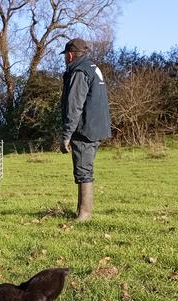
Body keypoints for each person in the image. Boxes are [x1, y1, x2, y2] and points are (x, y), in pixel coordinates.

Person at [60, 38, 111, 221]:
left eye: (66, 55)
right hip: (97, 126)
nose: (65, 59)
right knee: (85, 168)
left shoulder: (79, 71)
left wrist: (66, 135)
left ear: (71, 55)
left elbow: (74, 106)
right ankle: (82, 210)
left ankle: (84, 214)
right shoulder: (92, 67)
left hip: (85, 129)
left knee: (83, 170)